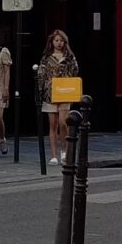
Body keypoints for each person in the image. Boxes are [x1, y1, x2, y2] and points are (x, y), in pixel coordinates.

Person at [34, 29, 79, 165]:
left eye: (61, 41)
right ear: (52, 42)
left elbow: (75, 71)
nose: (59, 43)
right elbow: (41, 75)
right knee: (52, 125)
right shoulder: (46, 58)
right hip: (49, 93)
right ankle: (54, 155)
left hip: (65, 92)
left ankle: (64, 150)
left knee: (63, 122)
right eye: (56, 41)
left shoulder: (69, 57)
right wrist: (40, 91)